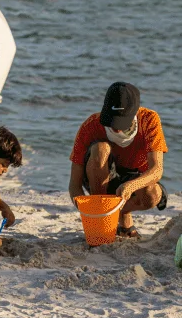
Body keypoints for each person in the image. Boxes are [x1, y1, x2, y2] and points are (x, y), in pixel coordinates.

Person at [68, 82, 167, 238]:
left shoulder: (149, 119)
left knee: (152, 194)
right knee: (101, 149)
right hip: (98, 179)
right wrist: (90, 213)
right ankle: (104, 220)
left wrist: (130, 185)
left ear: (135, 113)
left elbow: (157, 170)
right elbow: (74, 185)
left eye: (122, 123)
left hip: (134, 177)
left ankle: (121, 216)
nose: (117, 129)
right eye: (112, 121)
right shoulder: (91, 125)